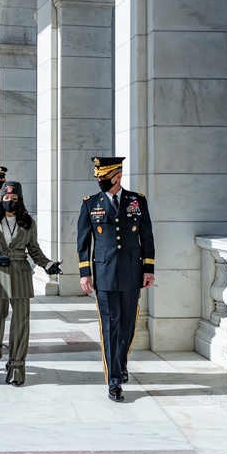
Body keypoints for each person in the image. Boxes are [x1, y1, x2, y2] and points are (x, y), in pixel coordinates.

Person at [77, 157, 155, 402]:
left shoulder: (137, 201)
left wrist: (148, 268)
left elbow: (147, 236)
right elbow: (83, 242)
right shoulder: (91, 204)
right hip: (105, 274)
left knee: (128, 325)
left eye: (104, 177)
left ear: (118, 175)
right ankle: (113, 380)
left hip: (132, 273)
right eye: (98, 177)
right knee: (110, 327)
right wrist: (84, 272)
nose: (100, 181)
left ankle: (120, 363)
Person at [0, 180, 61, 386]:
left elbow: (34, 249)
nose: (10, 201)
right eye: (6, 198)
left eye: (14, 198)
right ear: (0, 199)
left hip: (20, 275)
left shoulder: (28, 222)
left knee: (21, 323)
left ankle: (17, 366)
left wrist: (48, 265)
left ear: (20, 200)